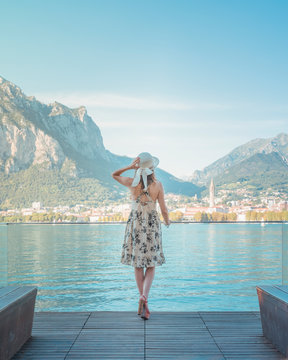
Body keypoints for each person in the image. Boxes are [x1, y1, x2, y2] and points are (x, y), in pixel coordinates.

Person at [111, 152, 171, 320]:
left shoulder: (131, 183)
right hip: (151, 224)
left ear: (139, 167)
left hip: (136, 224)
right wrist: (167, 222)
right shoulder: (158, 185)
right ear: (152, 169)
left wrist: (130, 167)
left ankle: (142, 298)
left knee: (138, 264)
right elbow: (164, 208)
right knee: (150, 264)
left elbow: (114, 175)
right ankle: (144, 296)